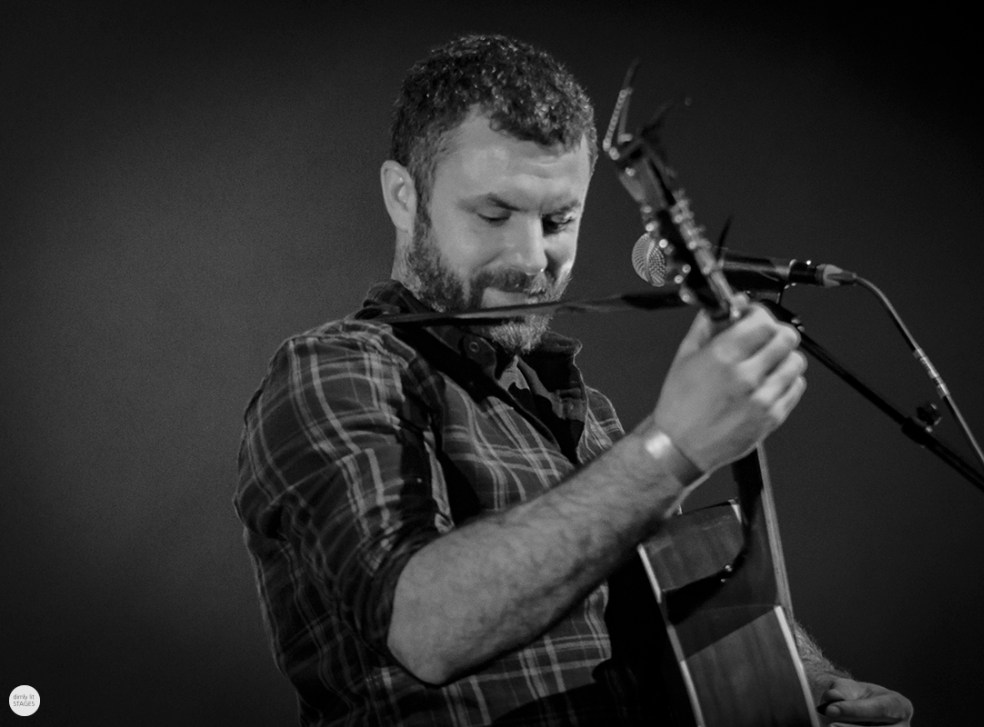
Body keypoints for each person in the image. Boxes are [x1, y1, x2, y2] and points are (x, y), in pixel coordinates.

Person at [235, 33, 913, 726]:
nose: (533, 259)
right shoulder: (335, 368)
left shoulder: (589, 417)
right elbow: (423, 630)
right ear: (404, 197)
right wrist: (670, 448)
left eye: (559, 220)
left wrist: (809, 682)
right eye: (494, 214)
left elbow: (690, 601)